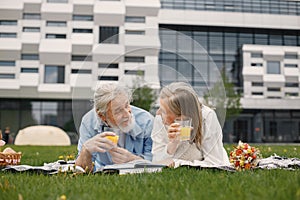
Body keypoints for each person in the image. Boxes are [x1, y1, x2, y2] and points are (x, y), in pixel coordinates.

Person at [75, 83, 154, 172]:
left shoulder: (146, 120)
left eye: (127, 105)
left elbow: (156, 162)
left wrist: (132, 160)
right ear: (102, 116)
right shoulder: (88, 122)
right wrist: (85, 151)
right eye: (118, 111)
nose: (127, 114)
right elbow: (81, 170)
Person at [151, 82, 230, 166]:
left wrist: (178, 163)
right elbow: (156, 161)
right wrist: (172, 144)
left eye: (164, 111)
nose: (158, 113)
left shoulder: (207, 116)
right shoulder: (160, 119)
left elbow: (215, 162)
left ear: (182, 116)